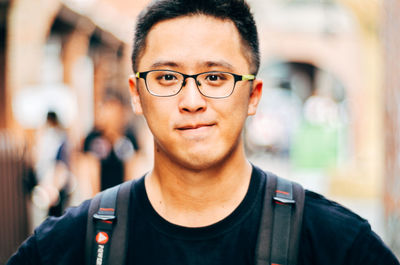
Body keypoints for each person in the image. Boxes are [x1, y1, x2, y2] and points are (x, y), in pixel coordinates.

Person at [7, 0, 399, 264]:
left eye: (215, 76)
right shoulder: (70, 245)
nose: (191, 99)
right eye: (166, 76)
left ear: (253, 95)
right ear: (137, 95)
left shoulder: (337, 244)